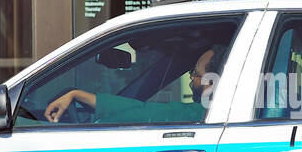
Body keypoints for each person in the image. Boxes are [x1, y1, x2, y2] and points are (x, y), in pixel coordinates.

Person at [44, 44, 224, 125]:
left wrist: (76, 95)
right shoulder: (209, 115)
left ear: (213, 81)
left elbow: (145, 112)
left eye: (196, 74)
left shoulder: (200, 114)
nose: (191, 77)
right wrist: (76, 94)